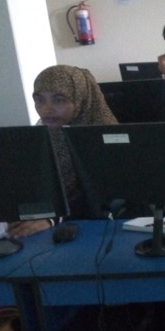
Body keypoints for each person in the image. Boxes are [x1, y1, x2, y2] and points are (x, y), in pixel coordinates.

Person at [9, 65, 118, 238]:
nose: (47, 109)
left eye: (58, 100)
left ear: (80, 99)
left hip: (96, 235)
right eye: (39, 99)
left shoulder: (105, 138)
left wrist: (52, 219)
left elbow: (105, 203)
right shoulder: (42, 134)